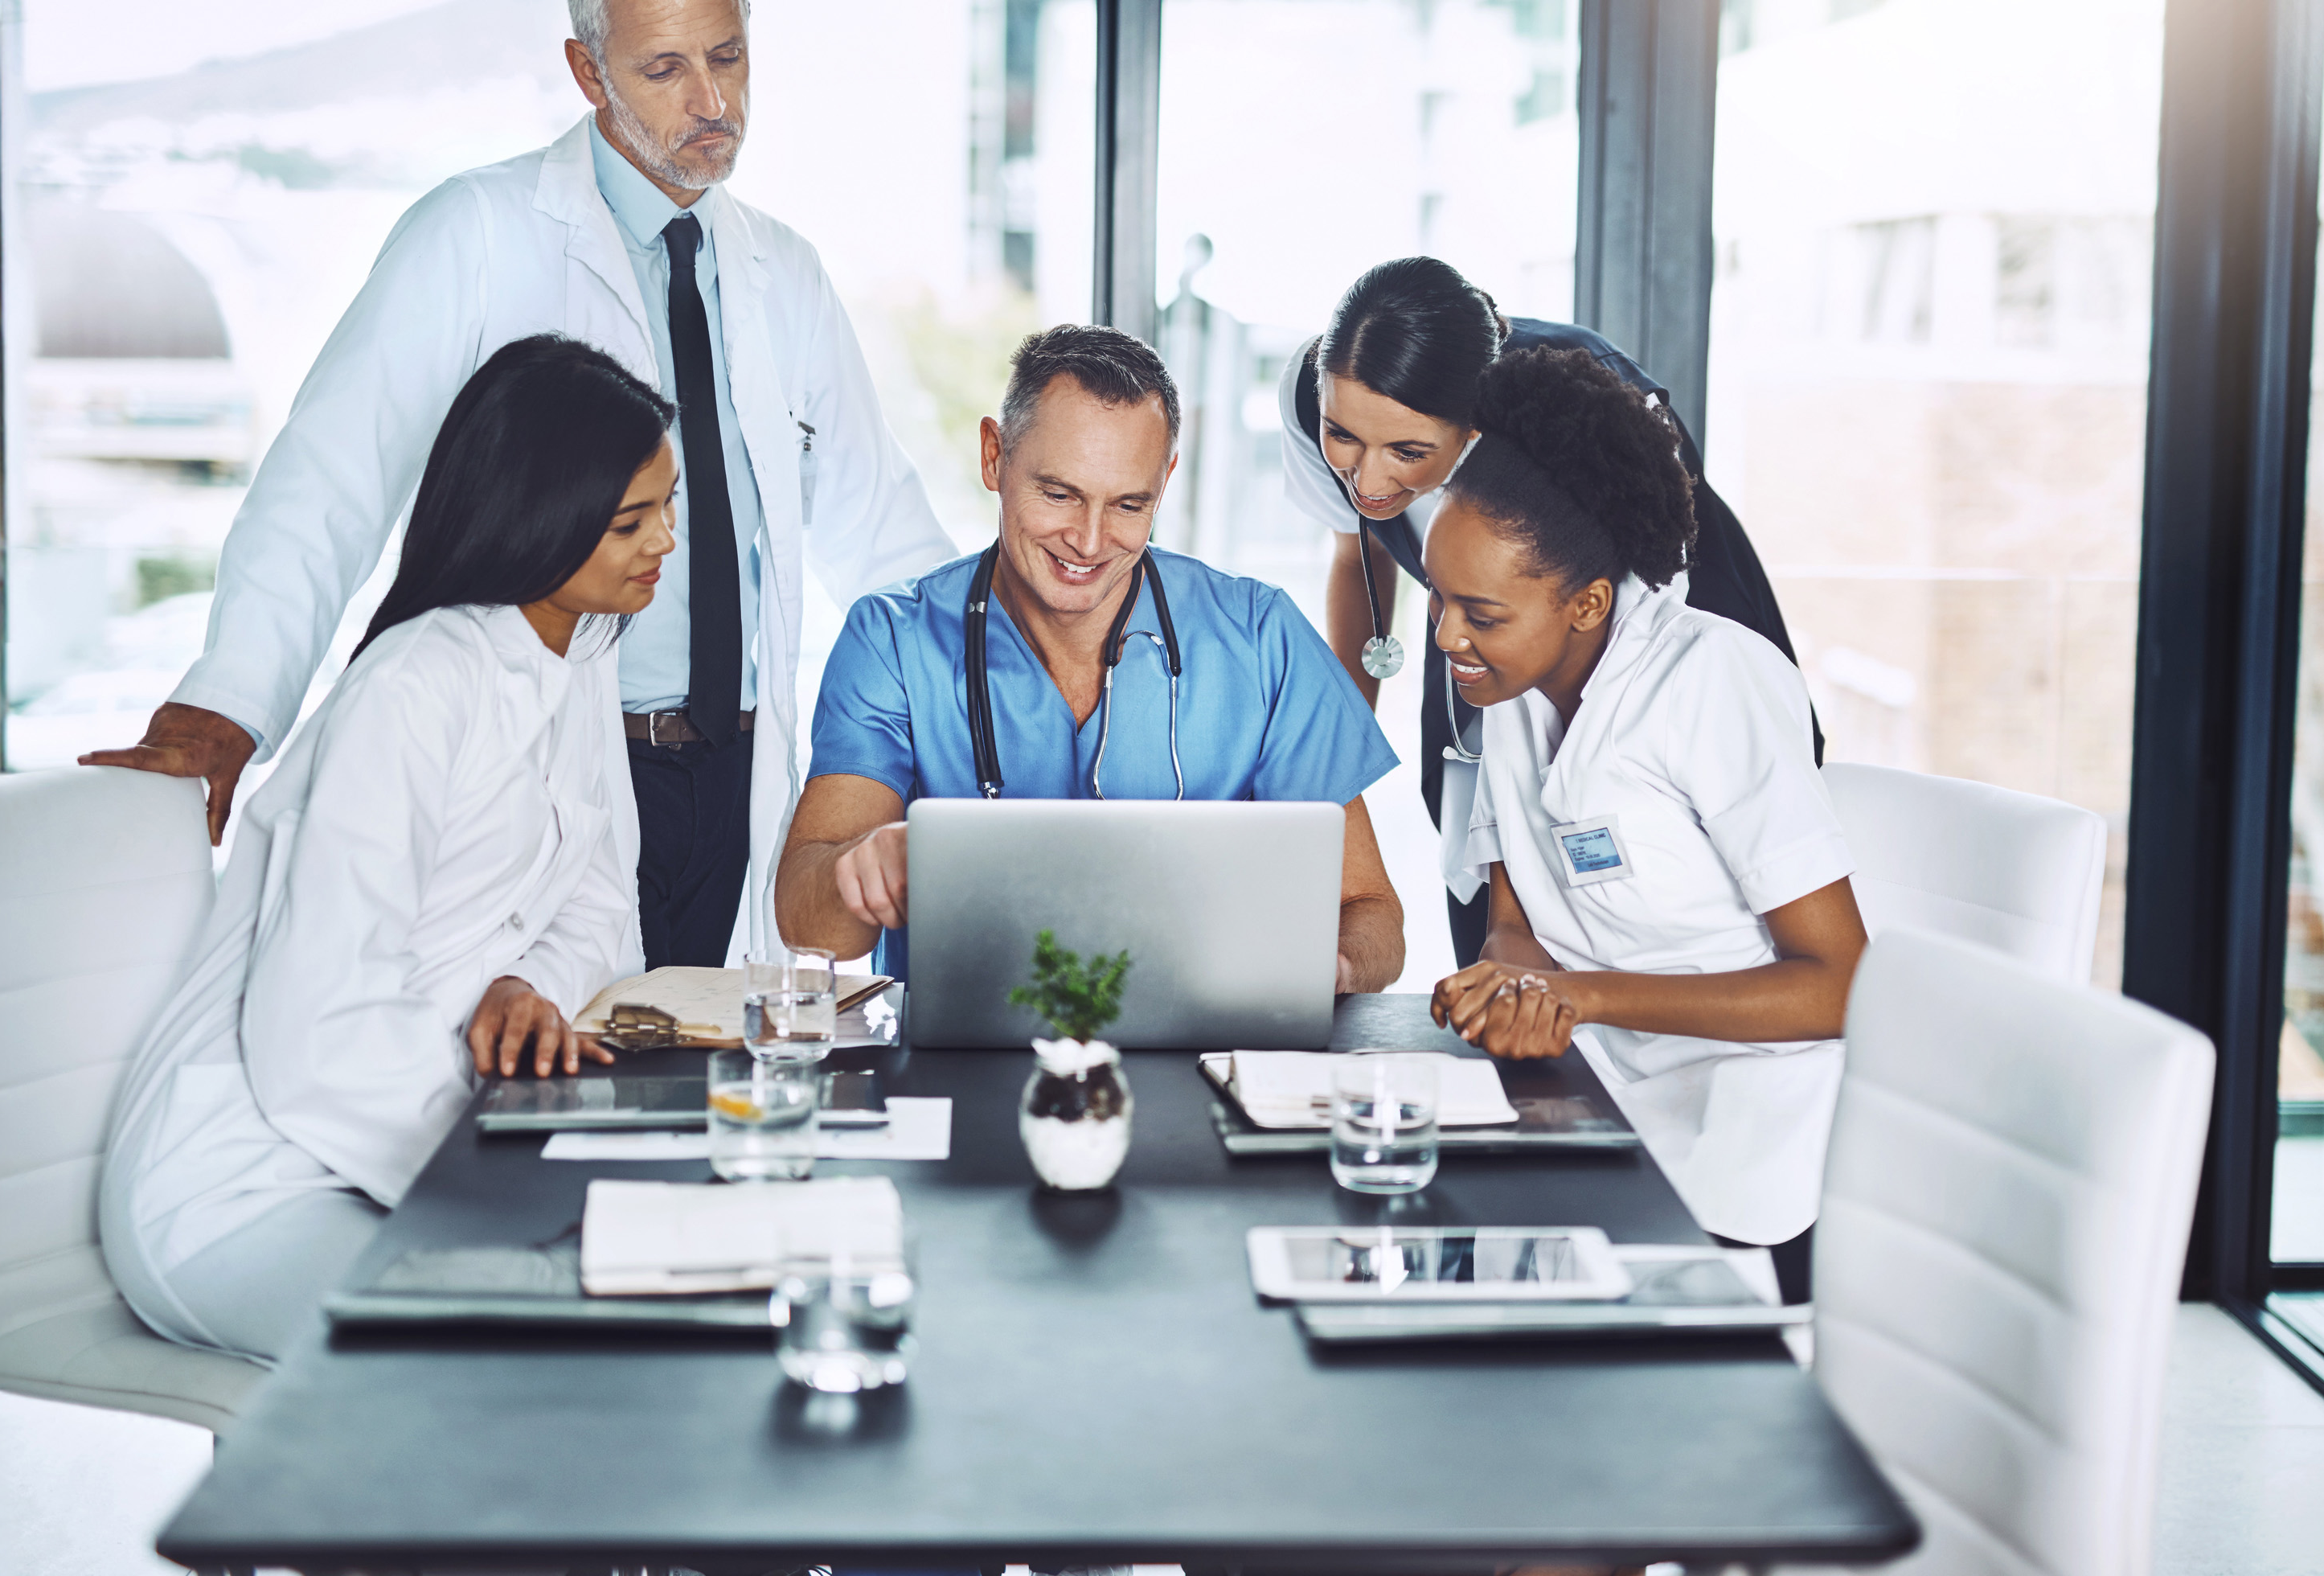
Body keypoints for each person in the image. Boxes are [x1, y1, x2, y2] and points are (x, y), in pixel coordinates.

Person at [84, 0, 953, 970]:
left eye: (729, 57)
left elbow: (884, 534)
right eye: (666, 69)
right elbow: (329, 482)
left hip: (739, 767)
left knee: (702, 1076)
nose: (714, 102)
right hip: (553, 757)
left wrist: (997, 712)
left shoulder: (786, 274)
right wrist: (231, 701)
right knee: (538, 1073)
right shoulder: (476, 234)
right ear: (588, 73)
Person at [100, 336, 668, 1365]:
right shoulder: (414, 685)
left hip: (408, 1143)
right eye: (633, 520)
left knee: (633, 1301)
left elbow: (601, 905)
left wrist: (522, 981)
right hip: (246, 1183)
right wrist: (501, 1180)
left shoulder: (580, 651)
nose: (666, 541)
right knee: (531, 1344)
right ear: (542, 514)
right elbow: (316, 1032)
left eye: (668, 507)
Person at [1422, 344, 1863, 1303]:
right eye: (1438, 598)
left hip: (1753, 1125)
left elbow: (1837, 985)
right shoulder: (1511, 690)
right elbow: (1514, 913)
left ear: (1585, 602)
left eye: (1481, 613)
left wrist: (1582, 995)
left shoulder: (1714, 682)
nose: (1448, 638)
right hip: (1596, 1097)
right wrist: (1513, 977)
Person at [777, 325, 1406, 991]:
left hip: (1202, 1057)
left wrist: (1325, 969)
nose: (1088, 540)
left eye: (1130, 504)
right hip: (959, 1070)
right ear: (994, 456)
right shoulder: (893, 640)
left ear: (1164, 481)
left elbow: (1370, 914)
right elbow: (810, 927)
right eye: (1059, 494)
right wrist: (865, 869)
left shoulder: (1260, 637)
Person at [1278, 256, 1811, 965]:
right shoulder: (1317, 394)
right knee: (1486, 900)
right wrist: (1329, 779)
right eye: (1344, 436)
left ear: (1474, 430)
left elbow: (1639, 625)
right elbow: (1360, 556)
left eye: (1408, 451)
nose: (1368, 480)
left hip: (1649, 611)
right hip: (1490, 622)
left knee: (1660, 891)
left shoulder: (1577, 413)